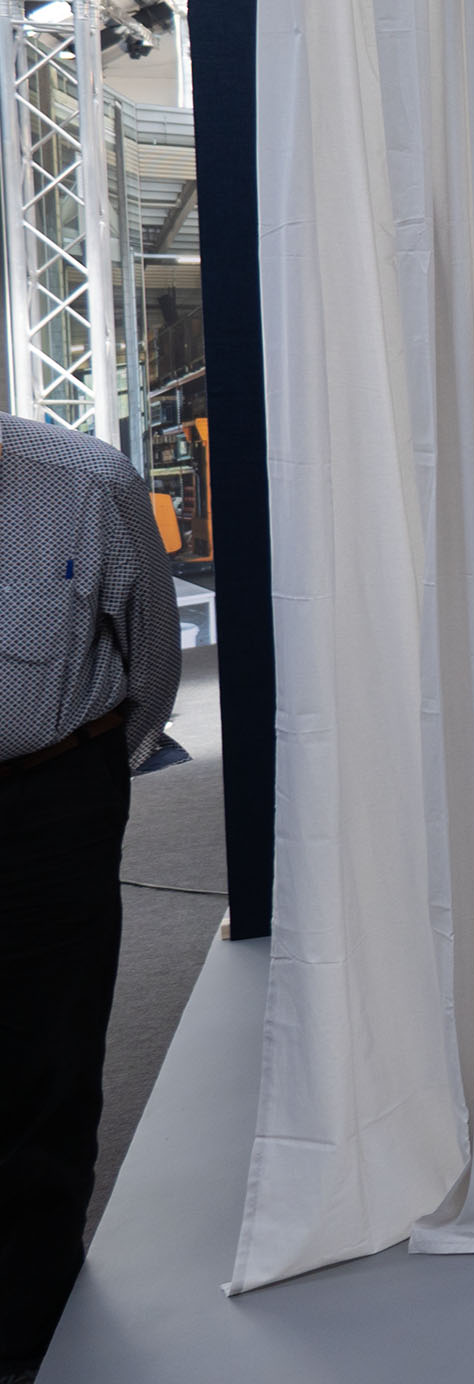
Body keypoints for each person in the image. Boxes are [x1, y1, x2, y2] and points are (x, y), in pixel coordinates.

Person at [0, 416, 175, 1372]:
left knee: (49, 1056)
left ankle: (31, 1322)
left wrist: (90, 784)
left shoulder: (88, 482)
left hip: (48, 803)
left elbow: (153, 667)